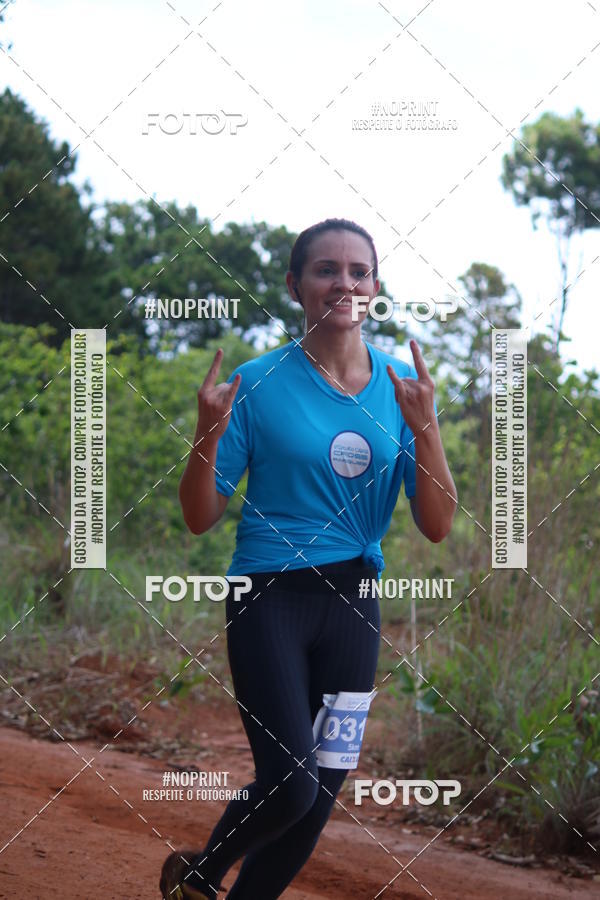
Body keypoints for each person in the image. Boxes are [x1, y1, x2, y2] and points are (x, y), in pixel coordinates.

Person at [159, 218, 457, 899]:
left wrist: (428, 428)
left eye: (359, 271)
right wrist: (207, 434)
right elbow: (200, 516)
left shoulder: (405, 387)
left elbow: (437, 525)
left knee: (318, 798)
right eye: (327, 270)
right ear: (296, 286)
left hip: (353, 607)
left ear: (374, 287)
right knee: (290, 784)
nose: (344, 283)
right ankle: (200, 871)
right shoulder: (257, 383)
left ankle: (203, 882)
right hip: (269, 598)